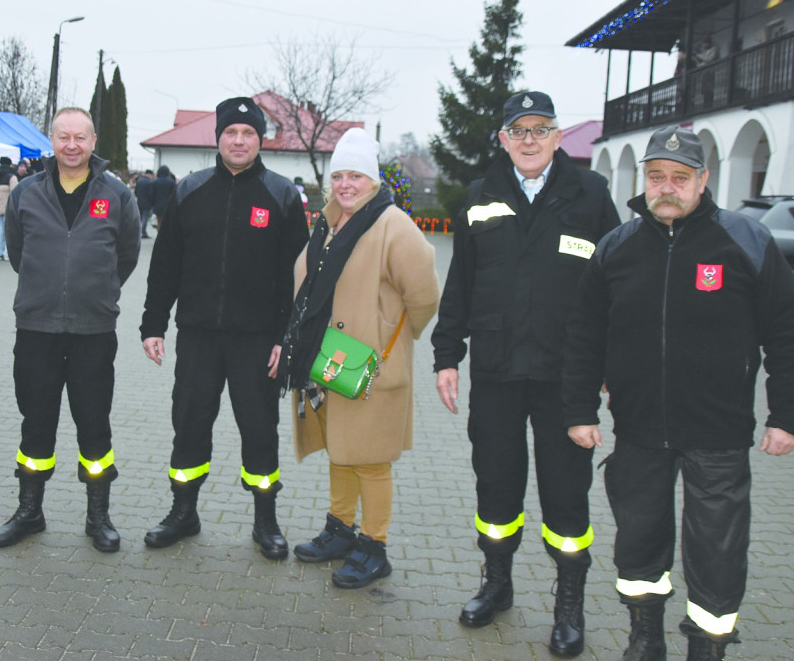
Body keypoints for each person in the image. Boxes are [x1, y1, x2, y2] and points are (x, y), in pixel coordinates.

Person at [561, 125, 794, 661]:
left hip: (719, 432)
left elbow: (784, 331)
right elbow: (584, 335)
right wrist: (579, 409)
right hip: (639, 430)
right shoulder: (616, 248)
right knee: (639, 540)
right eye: (657, 176)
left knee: (717, 550)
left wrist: (784, 415)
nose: (667, 187)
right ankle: (645, 636)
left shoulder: (745, 241)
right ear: (646, 179)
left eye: (681, 178)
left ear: (703, 180)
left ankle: (708, 647)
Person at [431, 91, 620, 657]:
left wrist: (611, 364)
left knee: (566, 495)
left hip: (568, 379)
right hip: (497, 371)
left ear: (559, 138)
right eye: (520, 130)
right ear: (504, 139)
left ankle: (569, 604)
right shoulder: (480, 196)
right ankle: (497, 584)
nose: (530, 139)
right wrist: (446, 355)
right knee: (496, 482)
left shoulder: (589, 195)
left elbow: (614, 285)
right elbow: (459, 282)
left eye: (541, 129)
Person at [140, 96, 308, 559]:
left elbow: (300, 278)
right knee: (189, 423)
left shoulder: (282, 196)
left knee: (259, 429)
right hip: (197, 336)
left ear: (260, 141)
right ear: (218, 138)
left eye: (248, 133)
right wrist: (153, 324)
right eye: (231, 133)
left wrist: (285, 338)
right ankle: (183, 512)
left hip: (257, 340)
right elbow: (166, 264)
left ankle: (265, 519)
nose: (238, 140)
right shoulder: (189, 190)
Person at [280, 128, 439, 588]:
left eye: (357, 175)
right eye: (340, 175)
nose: (346, 184)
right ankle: (340, 528)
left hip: (370, 368)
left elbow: (425, 297)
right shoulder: (330, 222)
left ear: (374, 180)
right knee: (342, 450)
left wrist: (392, 335)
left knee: (370, 460)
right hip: (329, 360)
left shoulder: (393, 225)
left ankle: (374, 545)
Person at [0, 107, 141, 552]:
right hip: (36, 328)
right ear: (51, 141)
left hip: (93, 331)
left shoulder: (116, 195)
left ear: (94, 141)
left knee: (94, 424)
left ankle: (99, 517)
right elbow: (18, 252)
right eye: (63, 137)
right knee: (35, 422)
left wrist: (99, 290)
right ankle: (29, 511)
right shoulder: (26, 193)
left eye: (81, 137)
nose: (72, 145)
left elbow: (128, 255)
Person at [0, 156, 17, 260]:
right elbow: (15, 192)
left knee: (0, 229)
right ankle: (7, 253)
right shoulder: (11, 177)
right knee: (9, 230)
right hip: (9, 207)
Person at [150, 165, 174, 230]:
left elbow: (152, 194)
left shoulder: (154, 182)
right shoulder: (172, 182)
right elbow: (174, 194)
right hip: (169, 205)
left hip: (158, 205)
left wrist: (152, 203)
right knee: (167, 222)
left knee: (159, 221)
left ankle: (159, 233)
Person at [134, 169, 155, 239]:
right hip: (147, 202)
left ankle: (137, 232)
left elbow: (135, 192)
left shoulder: (139, 181)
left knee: (139, 218)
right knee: (145, 217)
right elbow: (151, 193)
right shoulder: (150, 182)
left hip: (139, 202)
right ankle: (143, 232)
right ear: (150, 174)